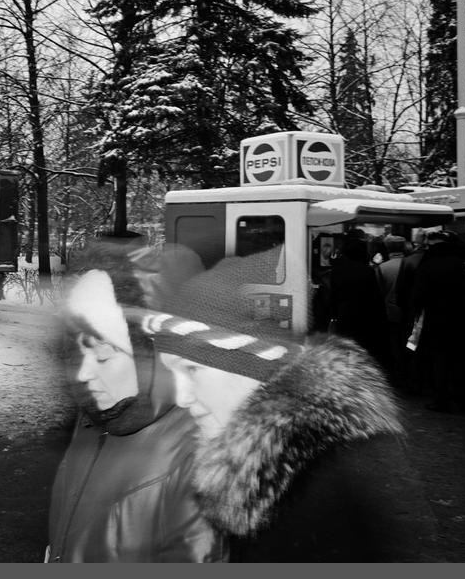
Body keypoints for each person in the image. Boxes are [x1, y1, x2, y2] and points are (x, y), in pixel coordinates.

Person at [151, 314, 421, 561]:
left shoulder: (303, 484)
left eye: (193, 370)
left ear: (247, 368)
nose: (181, 397)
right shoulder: (264, 456)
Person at [46, 269, 224, 562]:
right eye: (77, 352)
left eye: (103, 355)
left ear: (153, 356)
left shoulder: (198, 457)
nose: (84, 373)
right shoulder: (95, 420)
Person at [412, 230, 465, 412]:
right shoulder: (458, 263)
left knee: (439, 360)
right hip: (457, 317)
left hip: (434, 318)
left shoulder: (427, 265)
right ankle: (461, 398)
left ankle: (441, 398)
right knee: (457, 360)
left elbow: (418, 295)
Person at [328, 237, 389, 367]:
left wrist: (334, 315)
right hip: (364, 317)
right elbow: (375, 298)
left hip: (344, 315)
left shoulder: (336, 270)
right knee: (361, 349)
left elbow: (333, 296)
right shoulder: (367, 271)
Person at [374, 234, 408, 387]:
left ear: (387, 248)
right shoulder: (410, 264)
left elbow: (378, 292)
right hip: (409, 312)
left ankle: (398, 374)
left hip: (390, 312)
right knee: (409, 343)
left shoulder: (383, 268)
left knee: (395, 344)